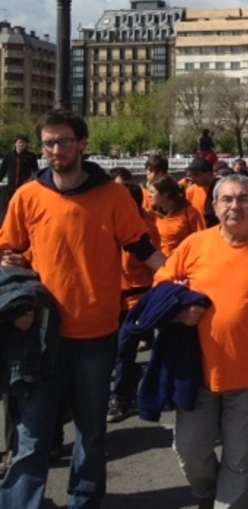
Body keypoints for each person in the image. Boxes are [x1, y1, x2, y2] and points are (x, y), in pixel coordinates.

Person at [0, 109, 165, 509]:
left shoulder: (112, 196)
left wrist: (181, 284)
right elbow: (7, 254)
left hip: (95, 334)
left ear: (82, 144)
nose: (56, 150)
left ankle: (85, 500)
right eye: (49, 143)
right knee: (32, 434)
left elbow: (144, 251)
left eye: (64, 142)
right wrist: (14, 303)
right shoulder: (28, 196)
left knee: (91, 431)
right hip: (38, 334)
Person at [154, 174, 248, 509]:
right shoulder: (195, 245)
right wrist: (179, 310)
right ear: (214, 206)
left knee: (241, 458)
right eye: (228, 199)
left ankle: (228, 502)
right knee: (190, 450)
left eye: (244, 198)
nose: (236, 206)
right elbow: (161, 285)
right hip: (197, 372)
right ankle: (207, 492)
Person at [107, 180, 163, 424]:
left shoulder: (147, 228)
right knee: (111, 353)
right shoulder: (104, 225)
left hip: (137, 299)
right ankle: (127, 382)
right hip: (109, 300)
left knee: (123, 350)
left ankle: (121, 399)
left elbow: (156, 265)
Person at [149, 175, 207, 257]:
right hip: (159, 265)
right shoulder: (152, 214)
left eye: (152, 192)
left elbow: (201, 240)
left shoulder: (189, 213)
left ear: (165, 194)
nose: (149, 195)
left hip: (182, 263)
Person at [186, 157, 219, 227]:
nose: (193, 179)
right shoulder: (190, 191)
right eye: (191, 175)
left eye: (196, 175)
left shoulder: (221, 189)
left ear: (209, 173)